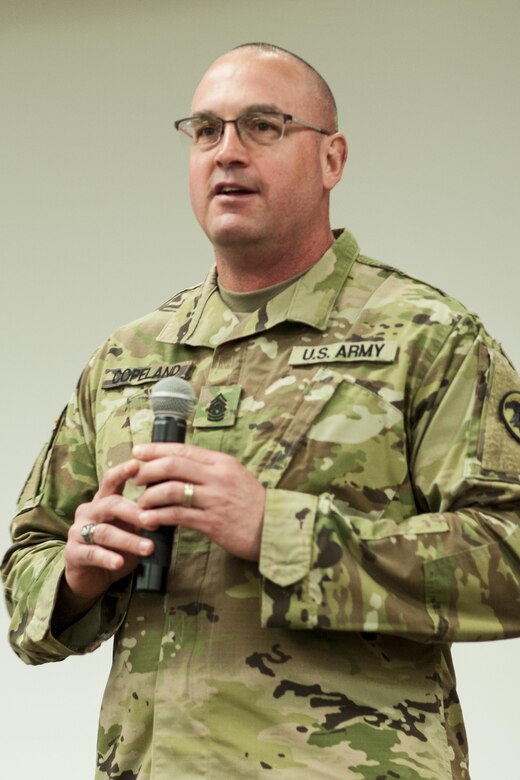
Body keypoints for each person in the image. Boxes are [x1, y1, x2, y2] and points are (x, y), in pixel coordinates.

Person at [2, 42, 520, 780]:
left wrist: (281, 531)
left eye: (264, 126)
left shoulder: (424, 337)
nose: (227, 151)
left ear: (332, 159)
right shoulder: (129, 357)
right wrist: (78, 573)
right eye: (206, 130)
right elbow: (29, 562)